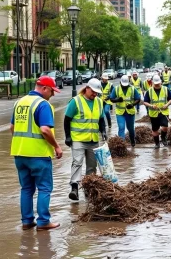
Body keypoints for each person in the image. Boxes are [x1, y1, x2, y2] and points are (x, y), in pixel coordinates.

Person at [10, 76, 63, 231]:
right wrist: (57, 146)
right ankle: (43, 222)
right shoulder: (42, 104)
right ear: (44, 88)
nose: (52, 95)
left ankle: (27, 222)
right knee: (44, 188)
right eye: (52, 91)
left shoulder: (19, 102)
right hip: (38, 154)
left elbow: (12, 128)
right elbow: (45, 129)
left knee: (26, 189)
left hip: (19, 154)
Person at [64, 78, 106, 201]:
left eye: (97, 92)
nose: (95, 94)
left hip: (93, 140)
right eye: (93, 91)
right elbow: (67, 120)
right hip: (78, 139)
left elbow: (101, 119)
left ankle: (89, 190)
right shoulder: (75, 101)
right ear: (87, 88)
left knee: (92, 167)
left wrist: (103, 131)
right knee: (77, 162)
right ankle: (74, 187)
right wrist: (67, 136)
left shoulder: (99, 102)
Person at [143, 75, 171, 149]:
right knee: (155, 129)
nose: (157, 85)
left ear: (161, 82)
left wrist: (167, 104)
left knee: (165, 127)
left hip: (164, 112)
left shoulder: (166, 89)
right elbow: (145, 102)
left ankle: (163, 138)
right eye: (155, 84)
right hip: (153, 113)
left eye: (158, 84)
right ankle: (157, 143)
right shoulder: (149, 91)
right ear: (153, 83)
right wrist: (151, 106)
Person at [110, 75, 141, 146]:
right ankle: (122, 144)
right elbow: (111, 98)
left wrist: (132, 104)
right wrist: (117, 100)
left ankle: (132, 140)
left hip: (130, 112)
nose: (124, 86)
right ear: (120, 82)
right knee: (121, 127)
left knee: (130, 128)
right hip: (120, 112)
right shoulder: (116, 89)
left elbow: (138, 99)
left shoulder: (132, 89)